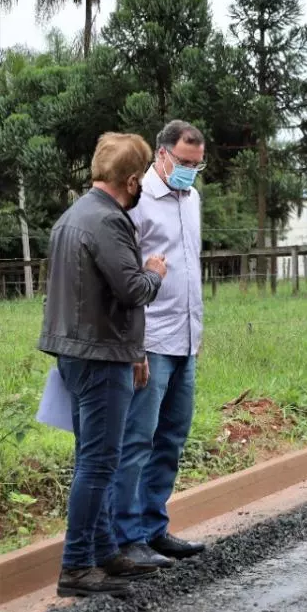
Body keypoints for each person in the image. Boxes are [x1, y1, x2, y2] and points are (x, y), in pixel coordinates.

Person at [38, 132, 168, 598]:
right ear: (132, 181)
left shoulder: (71, 217)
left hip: (76, 352)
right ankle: (76, 566)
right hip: (99, 356)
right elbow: (132, 290)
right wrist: (154, 271)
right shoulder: (109, 223)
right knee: (98, 462)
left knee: (92, 458)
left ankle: (103, 550)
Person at [113, 121, 208, 568]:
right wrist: (134, 347)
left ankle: (153, 528)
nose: (191, 170)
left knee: (171, 438)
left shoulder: (192, 199)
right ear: (162, 155)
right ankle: (126, 537)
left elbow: (191, 268)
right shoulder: (138, 204)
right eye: (184, 162)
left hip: (185, 340)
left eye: (197, 163)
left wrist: (197, 333)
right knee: (137, 441)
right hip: (150, 341)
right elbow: (127, 280)